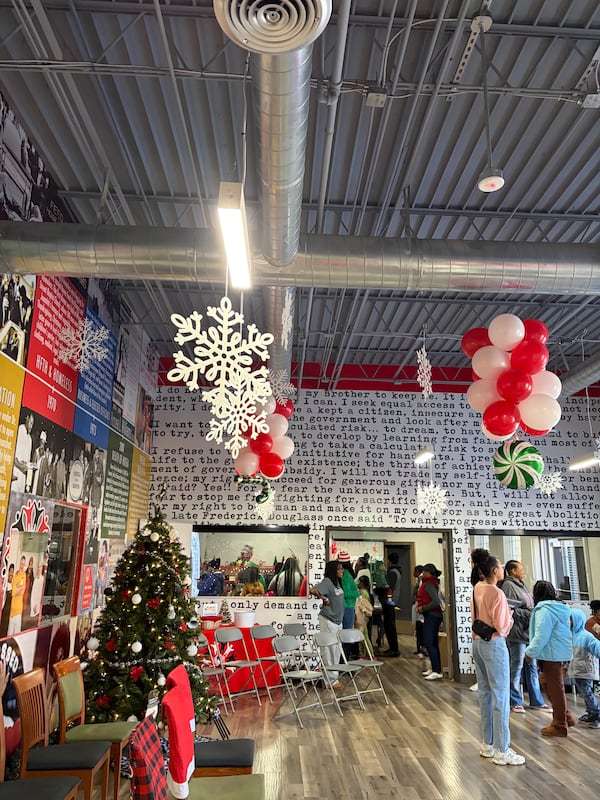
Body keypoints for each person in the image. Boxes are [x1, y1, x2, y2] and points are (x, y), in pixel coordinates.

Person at [470, 550, 525, 766]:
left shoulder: (478, 587)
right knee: (501, 696)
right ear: (494, 570)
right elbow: (502, 628)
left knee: (485, 694)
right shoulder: (497, 593)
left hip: (477, 642)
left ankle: (488, 744)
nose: (503, 569)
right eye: (501, 566)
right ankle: (503, 750)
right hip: (494, 644)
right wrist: (510, 616)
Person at [525, 580, 574, 737]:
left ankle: (560, 724)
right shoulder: (560, 608)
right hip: (561, 653)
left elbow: (541, 635)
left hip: (552, 655)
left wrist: (530, 652)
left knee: (555, 688)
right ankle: (565, 717)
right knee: (549, 684)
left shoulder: (545, 610)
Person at [500, 560, 548, 712]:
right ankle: (515, 700)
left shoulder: (522, 585)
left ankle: (536, 700)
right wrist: (529, 614)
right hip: (517, 632)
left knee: (532, 667)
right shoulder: (508, 585)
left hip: (528, 633)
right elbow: (510, 608)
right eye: (521, 569)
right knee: (517, 666)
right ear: (512, 571)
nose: (524, 571)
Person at [310, 560, 345, 688]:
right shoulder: (328, 582)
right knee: (329, 650)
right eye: (339, 569)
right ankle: (329, 680)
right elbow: (313, 590)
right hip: (328, 619)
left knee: (336, 650)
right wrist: (323, 598)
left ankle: (333, 678)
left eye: (342, 569)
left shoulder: (337, 584)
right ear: (333, 570)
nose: (342, 571)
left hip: (337, 620)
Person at [568, 607, 600, 728]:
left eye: (570, 619)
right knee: (584, 692)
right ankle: (591, 712)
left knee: (586, 692)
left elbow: (597, 648)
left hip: (586, 670)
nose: (568, 622)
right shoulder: (572, 635)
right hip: (577, 670)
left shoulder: (586, 636)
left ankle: (596, 713)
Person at [416, 563, 444, 681]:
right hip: (432, 615)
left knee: (428, 642)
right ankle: (435, 668)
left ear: (429, 572)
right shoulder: (431, 583)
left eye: (425, 572)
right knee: (432, 642)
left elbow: (436, 601)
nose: (423, 574)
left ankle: (437, 670)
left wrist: (423, 608)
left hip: (432, 616)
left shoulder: (429, 584)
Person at [12, 411, 33, 492]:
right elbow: (14, 457)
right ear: (26, 418)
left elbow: (28, 463)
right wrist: (21, 466)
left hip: (23, 479)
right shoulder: (20, 430)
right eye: (30, 423)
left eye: (32, 424)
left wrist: (28, 484)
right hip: (15, 475)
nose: (31, 426)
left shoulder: (30, 439)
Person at [355, 575, 373, 656]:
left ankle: (370, 654)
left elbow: (361, 604)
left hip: (362, 617)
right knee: (361, 635)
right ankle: (362, 653)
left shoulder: (363, 593)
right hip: (362, 616)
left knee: (364, 636)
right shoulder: (363, 592)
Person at [411, 565, 426, 659]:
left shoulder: (421, 580)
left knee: (419, 626)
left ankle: (421, 648)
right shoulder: (420, 580)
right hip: (418, 604)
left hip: (419, 605)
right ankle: (419, 648)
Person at [8, 557, 26, 635]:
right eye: (21, 563)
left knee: (17, 635)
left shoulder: (24, 575)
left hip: (19, 611)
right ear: (19, 564)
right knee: (9, 635)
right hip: (12, 611)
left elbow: (22, 591)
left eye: (23, 564)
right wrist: (19, 588)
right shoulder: (15, 576)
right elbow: (13, 592)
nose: (22, 565)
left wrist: (18, 589)